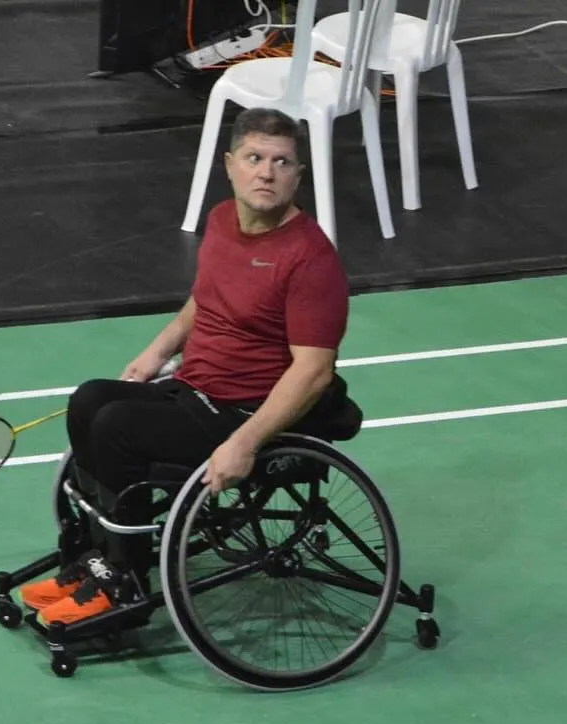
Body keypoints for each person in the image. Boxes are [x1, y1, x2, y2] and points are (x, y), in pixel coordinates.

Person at [20, 107, 352, 625]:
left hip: (244, 410)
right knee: (91, 399)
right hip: (195, 388)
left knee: (118, 428)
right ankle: (98, 558)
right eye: (255, 158)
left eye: (282, 162)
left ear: (298, 175)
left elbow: (314, 372)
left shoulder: (310, 259)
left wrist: (243, 443)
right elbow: (207, 299)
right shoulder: (222, 219)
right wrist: (157, 351)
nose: (266, 172)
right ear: (230, 164)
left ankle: (123, 582)